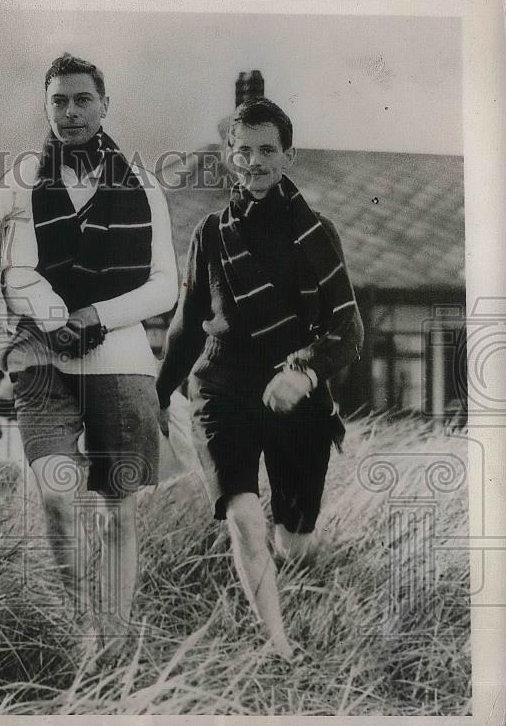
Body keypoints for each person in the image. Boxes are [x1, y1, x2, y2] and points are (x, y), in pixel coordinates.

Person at [0, 53, 178, 658]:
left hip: (121, 357)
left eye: (84, 100)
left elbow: (166, 287)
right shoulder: (19, 183)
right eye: (60, 101)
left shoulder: (140, 185)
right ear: (46, 107)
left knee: (118, 513)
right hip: (40, 362)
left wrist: (96, 315)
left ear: (104, 106)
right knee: (56, 498)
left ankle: (112, 641)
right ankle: (81, 623)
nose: (72, 111)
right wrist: (23, 322)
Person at [155, 97, 364, 659]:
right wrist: (156, 393)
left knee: (294, 540)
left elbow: (349, 331)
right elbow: (185, 327)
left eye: (266, 150)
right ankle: (280, 648)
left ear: (288, 156)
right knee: (245, 519)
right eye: (241, 151)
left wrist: (306, 371)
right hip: (222, 388)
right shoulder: (210, 234)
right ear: (228, 156)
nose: (253, 163)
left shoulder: (318, 234)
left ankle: (300, 595)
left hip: (293, 396)